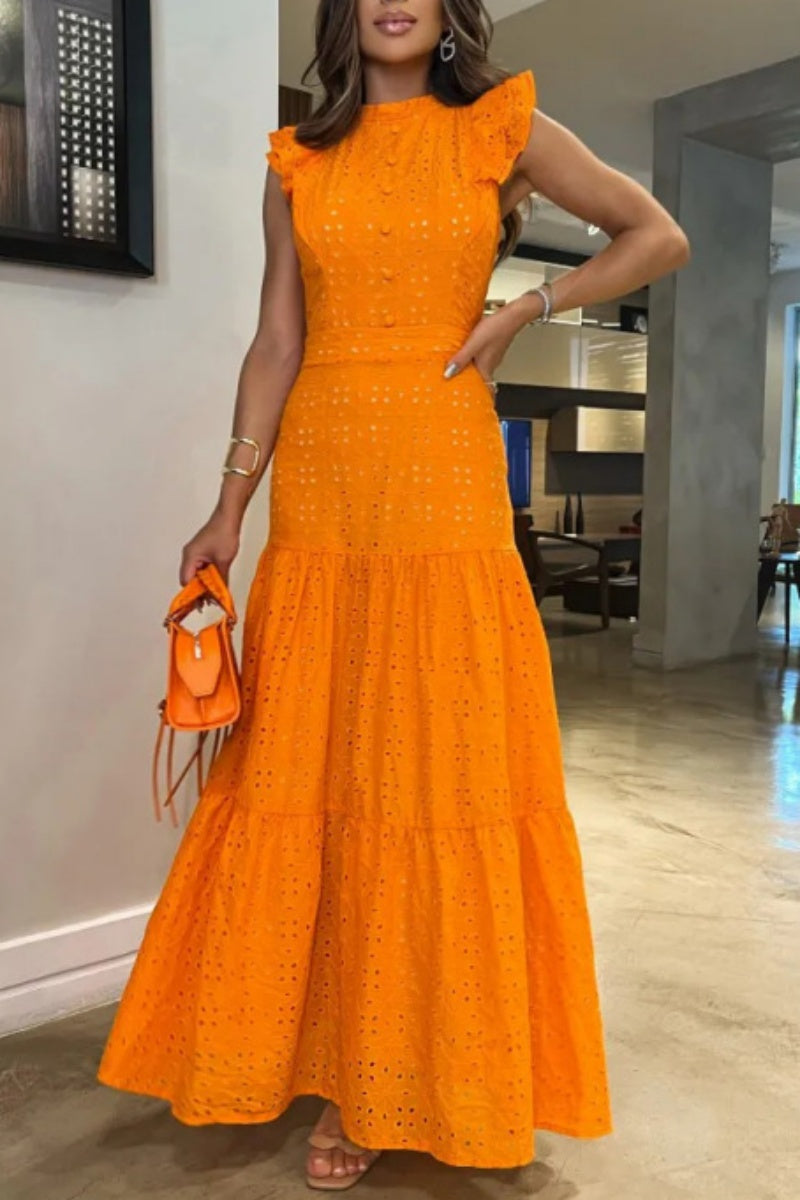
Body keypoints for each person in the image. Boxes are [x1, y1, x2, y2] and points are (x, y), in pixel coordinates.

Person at [97, 0, 689, 1189]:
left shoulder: (500, 129)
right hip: (322, 488)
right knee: (314, 770)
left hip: (441, 477)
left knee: (428, 772)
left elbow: (654, 235)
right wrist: (228, 504)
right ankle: (308, 1056)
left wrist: (524, 308)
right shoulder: (296, 162)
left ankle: (399, 1079)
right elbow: (276, 343)